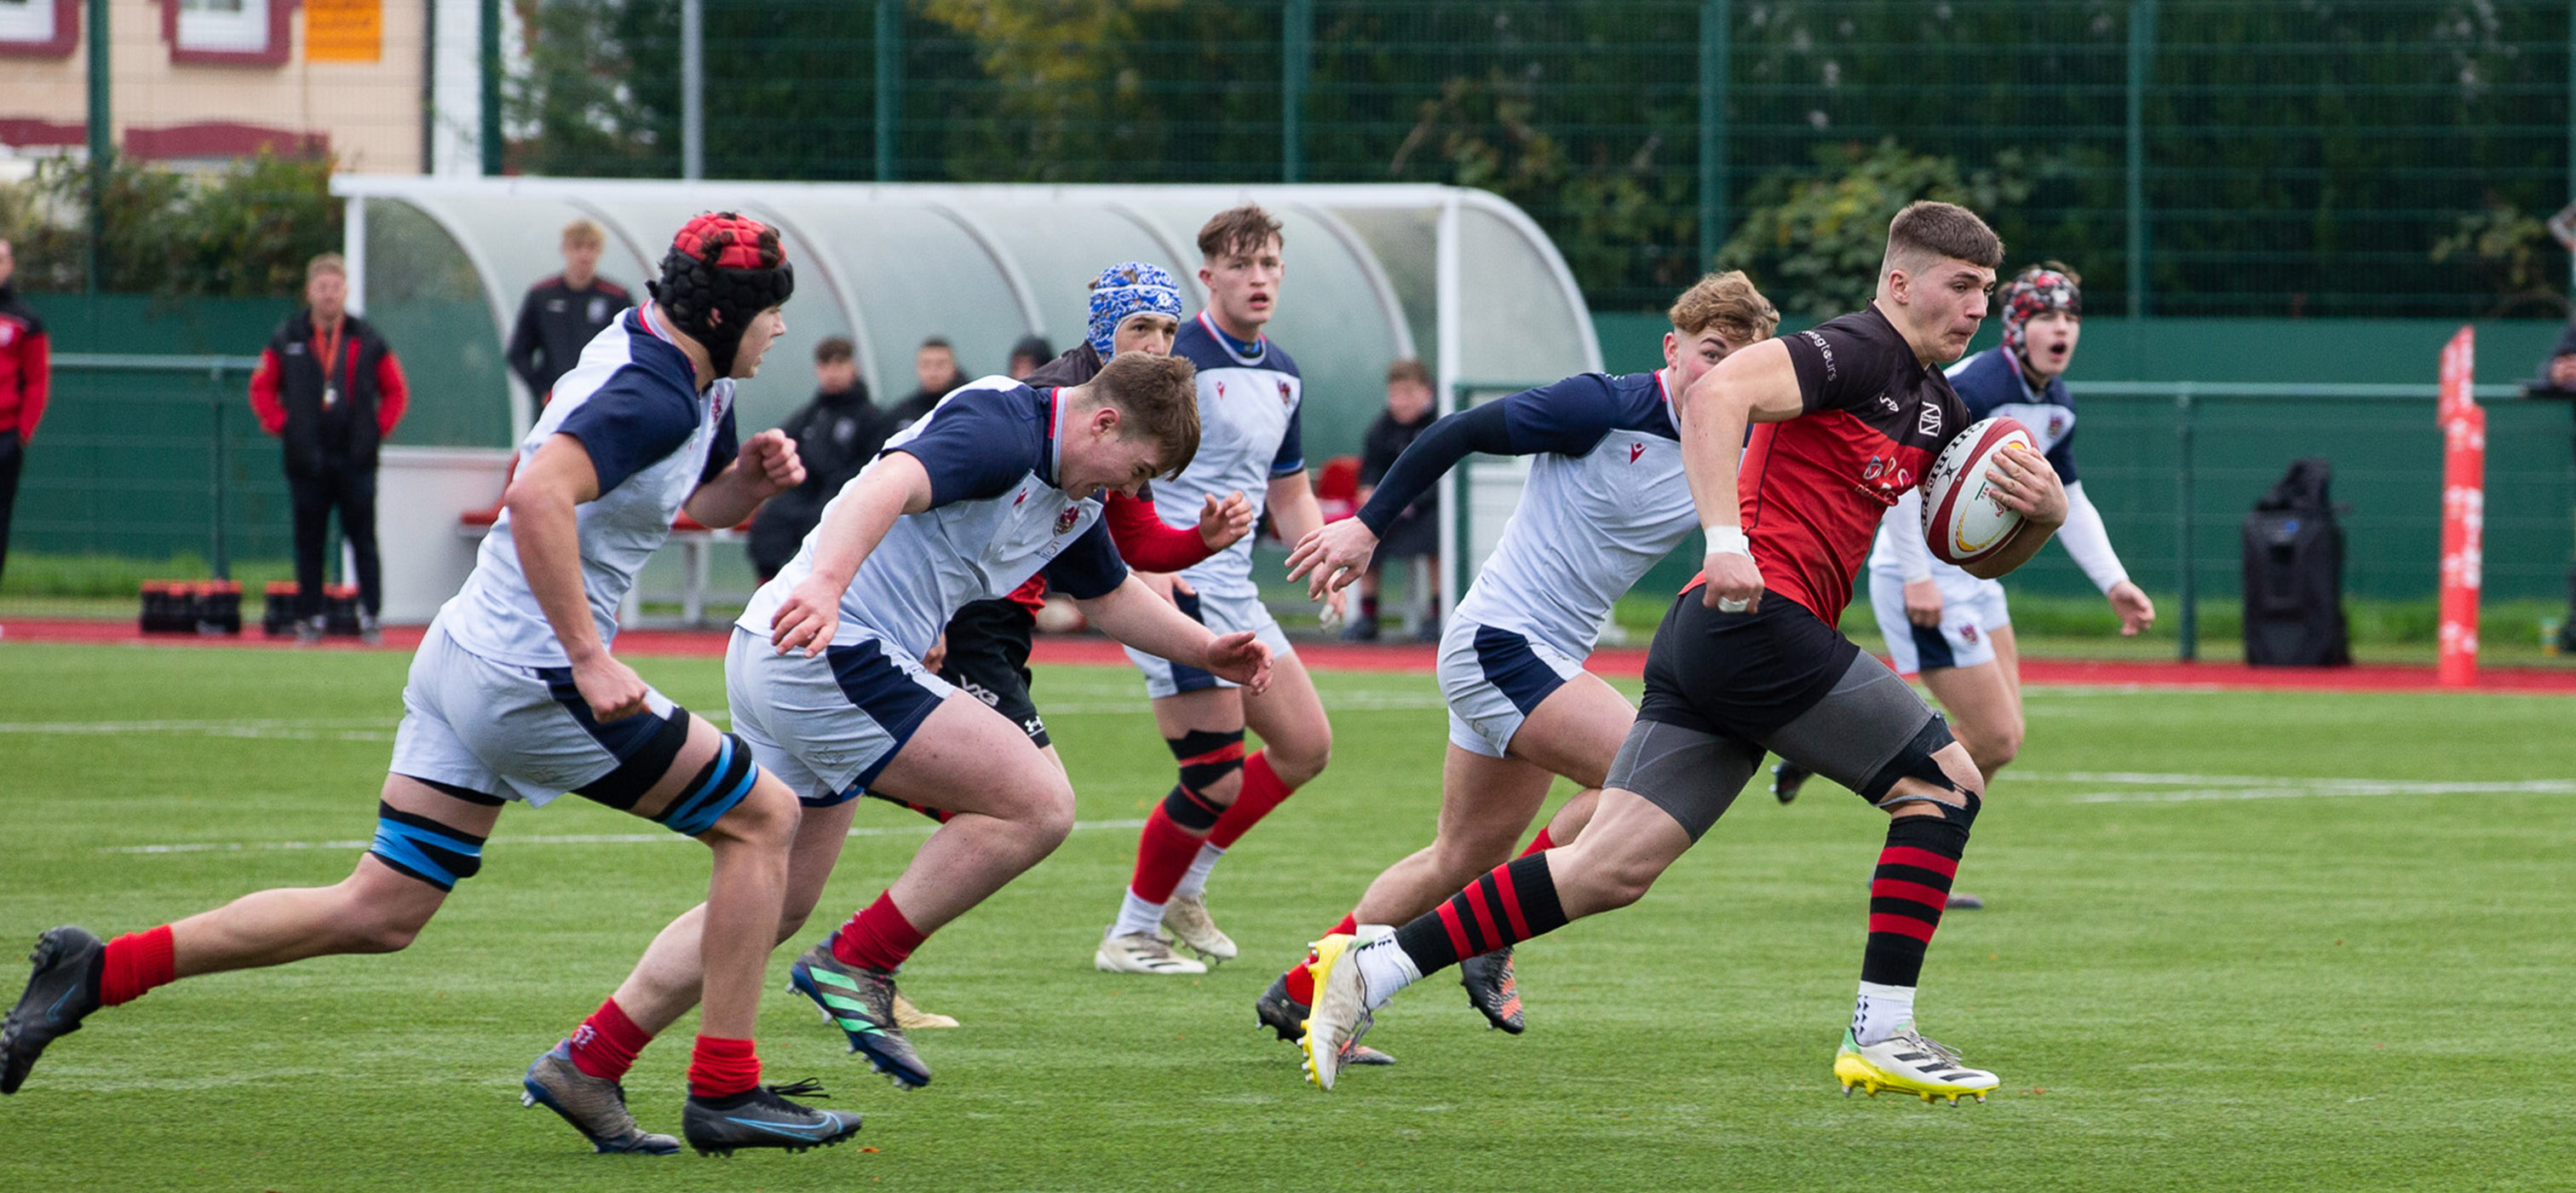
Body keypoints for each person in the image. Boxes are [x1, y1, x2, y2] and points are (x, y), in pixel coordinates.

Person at [3, 213, 865, 1156]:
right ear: (722, 312)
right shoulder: (657, 389)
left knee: (378, 910)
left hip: (467, 652)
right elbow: (536, 495)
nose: (780, 329)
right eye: (770, 312)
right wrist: (587, 652)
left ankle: (96, 971)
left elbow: (677, 501)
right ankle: (725, 1085)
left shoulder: (678, 370)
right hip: (530, 674)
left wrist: (744, 483)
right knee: (764, 820)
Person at [1298, 203, 2067, 1108]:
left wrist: (2042, 518)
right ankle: (1884, 1030)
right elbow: (1718, 392)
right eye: (1959, 284)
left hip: (1719, 639)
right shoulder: (1853, 348)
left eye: (1985, 288)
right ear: (1899, 283)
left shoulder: (1936, 404)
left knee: (1608, 867)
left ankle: (1373, 964)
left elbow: (1961, 549)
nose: (1976, 306)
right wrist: (1724, 536)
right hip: (1755, 619)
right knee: (1946, 781)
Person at [539, 352, 1269, 1102]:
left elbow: (1111, 596)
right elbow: (887, 482)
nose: (1135, 490)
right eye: (1140, 469)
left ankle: (590, 1060)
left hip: (794, 650)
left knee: (776, 899)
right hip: (827, 648)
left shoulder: (1074, 489)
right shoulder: (1007, 425)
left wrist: (1208, 650)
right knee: (1037, 805)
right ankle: (856, 961)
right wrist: (825, 587)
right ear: (1105, 421)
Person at [1268, 272, 1779, 1051]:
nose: (1720, 376)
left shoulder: (1737, 446)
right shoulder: (1601, 406)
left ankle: (1306, 991)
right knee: (1642, 778)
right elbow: (1456, 431)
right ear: (1673, 348)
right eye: (1709, 354)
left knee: (1458, 858)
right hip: (1500, 643)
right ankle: (1496, 929)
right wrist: (1367, 529)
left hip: (1539, 662)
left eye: (1741, 365)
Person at [1782, 263, 2155, 913]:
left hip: (1979, 579)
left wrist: (2115, 582)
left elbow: (2066, 496)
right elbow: (1903, 466)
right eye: (2045, 316)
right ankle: (1880, 819)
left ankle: (1900, 827)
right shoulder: (1979, 384)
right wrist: (1918, 575)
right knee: (1997, 735)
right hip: (1924, 575)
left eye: (2070, 317)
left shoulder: (2054, 402)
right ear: (2017, 325)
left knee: (2000, 741)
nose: (2060, 328)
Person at [1094, 205, 1345, 977]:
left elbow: (1290, 489)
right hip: (1168, 584)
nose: (1258, 279)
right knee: (1215, 774)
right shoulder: (1172, 361)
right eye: (1241, 266)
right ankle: (1131, 932)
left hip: (1234, 588)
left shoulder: (1285, 374)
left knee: (1305, 747)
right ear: (1209, 277)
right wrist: (1139, 568)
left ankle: (1186, 888)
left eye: (1269, 264)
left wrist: (1323, 557)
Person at [249, 255, 409, 644]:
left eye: (335, 287)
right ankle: (310, 619)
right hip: (306, 460)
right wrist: (283, 427)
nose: (328, 294)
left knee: (363, 540)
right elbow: (261, 388)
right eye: (321, 287)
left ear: (345, 290)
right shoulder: (288, 337)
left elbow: (396, 391)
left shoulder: (367, 338)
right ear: (310, 291)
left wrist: (375, 431)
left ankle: (370, 614)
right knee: (309, 541)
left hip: (355, 459)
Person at [749, 336, 887, 582]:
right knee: (771, 519)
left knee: (821, 522)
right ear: (817, 370)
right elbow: (782, 447)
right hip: (802, 491)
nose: (832, 373)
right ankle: (768, 599)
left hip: (842, 494)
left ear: (853, 367)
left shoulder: (871, 418)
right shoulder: (809, 415)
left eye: (839, 364)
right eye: (826, 366)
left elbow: (873, 466)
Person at [1341, 359, 1441, 642]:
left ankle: (1438, 614)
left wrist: (1411, 503)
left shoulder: (1440, 425)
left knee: (1437, 536)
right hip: (1390, 511)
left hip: (1424, 509)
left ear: (1426, 392)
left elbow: (1442, 478)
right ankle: (1368, 616)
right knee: (1364, 531)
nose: (1401, 402)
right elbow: (1371, 467)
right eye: (1395, 394)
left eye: (1408, 393)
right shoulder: (1381, 428)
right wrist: (1368, 489)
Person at [508, 219, 635, 405]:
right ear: (564, 249)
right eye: (578, 246)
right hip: (555, 402)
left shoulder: (616, 297)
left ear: (600, 251)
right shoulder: (542, 295)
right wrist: (542, 390)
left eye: (591, 247)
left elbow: (630, 348)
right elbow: (518, 352)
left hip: (599, 402)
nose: (585, 254)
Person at [0, 238, 49, 593]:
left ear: (10, 265)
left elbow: (36, 380)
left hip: (5, 435)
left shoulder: (26, 320)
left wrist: (21, 435)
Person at [888, 336, 967, 429]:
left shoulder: (970, 408)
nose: (932, 373)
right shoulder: (901, 415)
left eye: (940, 365)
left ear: (953, 367)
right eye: (926, 365)